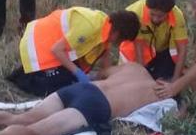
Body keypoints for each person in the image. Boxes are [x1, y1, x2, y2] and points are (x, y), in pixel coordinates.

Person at [0, 63, 159, 135]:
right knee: (33, 132)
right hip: (96, 105)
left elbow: (102, 72)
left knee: (21, 118)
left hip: (82, 88)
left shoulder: (136, 67)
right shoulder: (158, 95)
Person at [7, 7, 140, 96]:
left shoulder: (106, 28)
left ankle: (40, 71)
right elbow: (56, 50)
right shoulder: (91, 27)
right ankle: (21, 77)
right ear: (117, 32)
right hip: (38, 44)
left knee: (71, 80)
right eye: (121, 39)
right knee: (61, 87)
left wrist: (109, 79)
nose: (119, 44)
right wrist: (78, 73)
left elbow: (105, 58)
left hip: (56, 45)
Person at [119, 0, 189, 81]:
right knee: (132, 78)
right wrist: (142, 78)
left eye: (160, 16)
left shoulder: (177, 15)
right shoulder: (136, 13)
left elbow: (182, 50)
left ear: (169, 12)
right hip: (137, 49)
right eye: (152, 14)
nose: (155, 19)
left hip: (162, 50)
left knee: (163, 79)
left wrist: (175, 81)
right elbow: (138, 47)